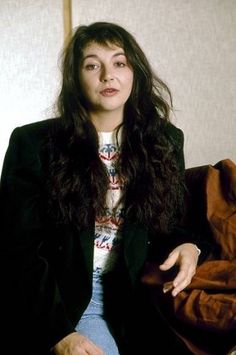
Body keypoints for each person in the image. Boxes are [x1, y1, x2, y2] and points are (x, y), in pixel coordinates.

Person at [0, 22, 207, 355]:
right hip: (64, 297)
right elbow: (18, 249)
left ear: (134, 72)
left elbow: (168, 224)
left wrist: (188, 245)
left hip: (132, 298)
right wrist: (58, 334)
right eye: (92, 65)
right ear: (75, 79)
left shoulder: (165, 141)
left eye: (119, 63)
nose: (107, 75)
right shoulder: (34, 143)